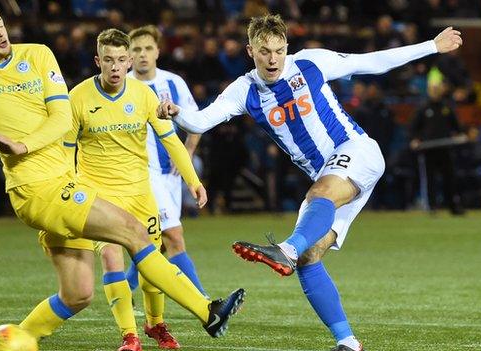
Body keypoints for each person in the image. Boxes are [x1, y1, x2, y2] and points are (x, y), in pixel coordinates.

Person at [0, 2, 245, 349]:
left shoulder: (37, 55)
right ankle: (207, 312)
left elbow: (60, 118)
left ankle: (15, 339)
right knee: (133, 233)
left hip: (65, 184)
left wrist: (23, 144)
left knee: (77, 294)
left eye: (0, 24)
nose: (1, 33)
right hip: (37, 190)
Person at [157, 14, 462, 351]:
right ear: (250, 51)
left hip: (356, 151)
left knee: (313, 207)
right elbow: (200, 122)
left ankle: (285, 249)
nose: (273, 59)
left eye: (279, 50)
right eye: (264, 51)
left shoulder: (310, 63)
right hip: (330, 182)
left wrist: (432, 46)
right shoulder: (244, 90)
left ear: (287, 47)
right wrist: (176, 114)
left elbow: (371, 63)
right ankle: (347, 341)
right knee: (309, 256)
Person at [22, 28, 208, 351]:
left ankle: (156, 324)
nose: (116, 66)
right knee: (111, 257)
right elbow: (65, 152)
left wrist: (193, 180)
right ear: (98, 61)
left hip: (140, 194)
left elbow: (170, 140)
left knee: (152, 261)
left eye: (122, 59)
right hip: (99, 196)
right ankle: (129, 335)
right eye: (108, 60)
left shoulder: (143, 95)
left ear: (129, 61)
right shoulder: (77, 98)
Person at [124, 25, 208, 300]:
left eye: (148, 48)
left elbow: (195, 123)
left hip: (170, 175)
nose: (143, 54)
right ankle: (205, 302)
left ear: (158, 51)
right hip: (142, 174)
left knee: (153, 242)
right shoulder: (122, 85)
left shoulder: (173, 83)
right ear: (128, 55)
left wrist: (186, 153)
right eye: (136, 49)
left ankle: (123, 291)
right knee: (173, 237)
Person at [410, 68, 465, 214]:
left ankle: (453, 206)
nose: (435, 91)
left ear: (441, 89)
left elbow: (457, 126)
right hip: (428, 149)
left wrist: (460, 134)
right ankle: (431, 206)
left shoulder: (447, 107)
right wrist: (415, 140)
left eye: (437, 88)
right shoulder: (423, 108)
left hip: (445, 147)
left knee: (450, 178)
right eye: (432, 89)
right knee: (430, 179)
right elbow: (413, 128)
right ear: (428, 90)